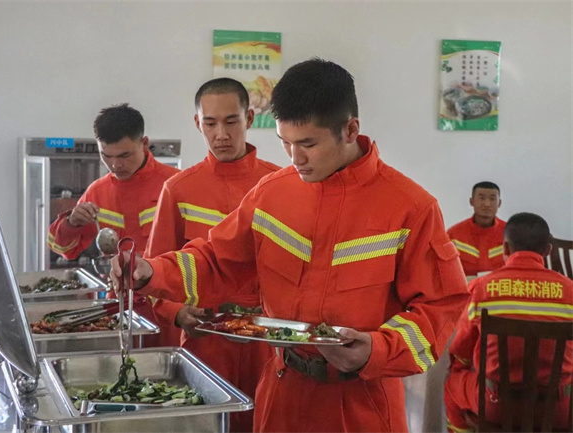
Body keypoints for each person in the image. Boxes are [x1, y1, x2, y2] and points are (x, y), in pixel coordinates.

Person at [111, 58, 468, 432]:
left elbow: (440, 307)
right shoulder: (272, 194)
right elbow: (217, 260)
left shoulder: (409, 208)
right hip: (283, 391)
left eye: (308, 144)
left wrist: (378, 350)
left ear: (350, 129)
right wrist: (150, 272)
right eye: (285, 143)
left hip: (362, 403)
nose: (296, 159)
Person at [144, 77, 280, 432]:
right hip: (206, 340)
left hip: (268, 342)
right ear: (197, 123)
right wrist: (176, 312)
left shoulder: (280, 185)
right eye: (210, 123)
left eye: (231, 121)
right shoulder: (178, 189)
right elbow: (155, 271)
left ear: (249, 118)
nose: (221, 134)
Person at [48, 103, 179, 345]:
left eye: (124, 156)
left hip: (171, 312)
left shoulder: (175, 185)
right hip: (118, 310)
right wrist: (71, 222)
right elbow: (63, 249)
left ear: (144, 143)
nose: (115, 165)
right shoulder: (98, 192)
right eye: (106, 156)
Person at [444, 212, 573, 432]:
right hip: (560, 410)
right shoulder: (570, 291)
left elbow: (461, 352)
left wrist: (463, 369)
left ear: (505, 247)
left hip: (496, 406)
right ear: (548, 250)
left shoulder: (481, 289)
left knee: (451, 384)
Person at [448, 182, 505, 277]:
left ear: (499, 203)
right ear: (471, 201)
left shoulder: (511, 234)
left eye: (492, 199)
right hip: (466, 286)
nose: (487, 204)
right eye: (482, 198)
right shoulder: (454, 235)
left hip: (501, 285)